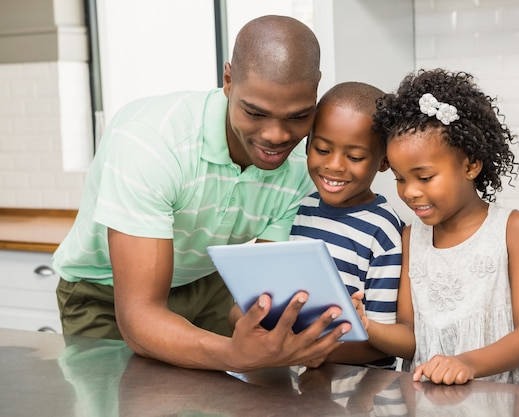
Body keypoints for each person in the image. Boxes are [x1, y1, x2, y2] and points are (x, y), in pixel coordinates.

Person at [51, 15, 352, 372]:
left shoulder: (306, 163)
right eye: (255, 112)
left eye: (298, 116)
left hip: (205, 281)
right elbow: (140, 316)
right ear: (228, 81)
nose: (276, 136)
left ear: (316, 88)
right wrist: (233, 356)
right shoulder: (151, 143)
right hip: (104, 291)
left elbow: (270, 289)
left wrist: (299, 341)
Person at [366, 68, 519, 391]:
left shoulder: (513, 228)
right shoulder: (412, 238)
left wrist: (467, 363)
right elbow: (412, 337)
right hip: (442, 403)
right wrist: (366, 326)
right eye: (400, 178)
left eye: (424, 177)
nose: (409, 192)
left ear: (470, 165)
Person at [289, 81, 409, 368]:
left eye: (354, 157)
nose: (335, 165)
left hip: (361, 391)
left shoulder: (384, 232)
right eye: (322, 149)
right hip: (300, 377)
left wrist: (304, 354)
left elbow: (381, 345)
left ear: (384, 162)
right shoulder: (298, 210)